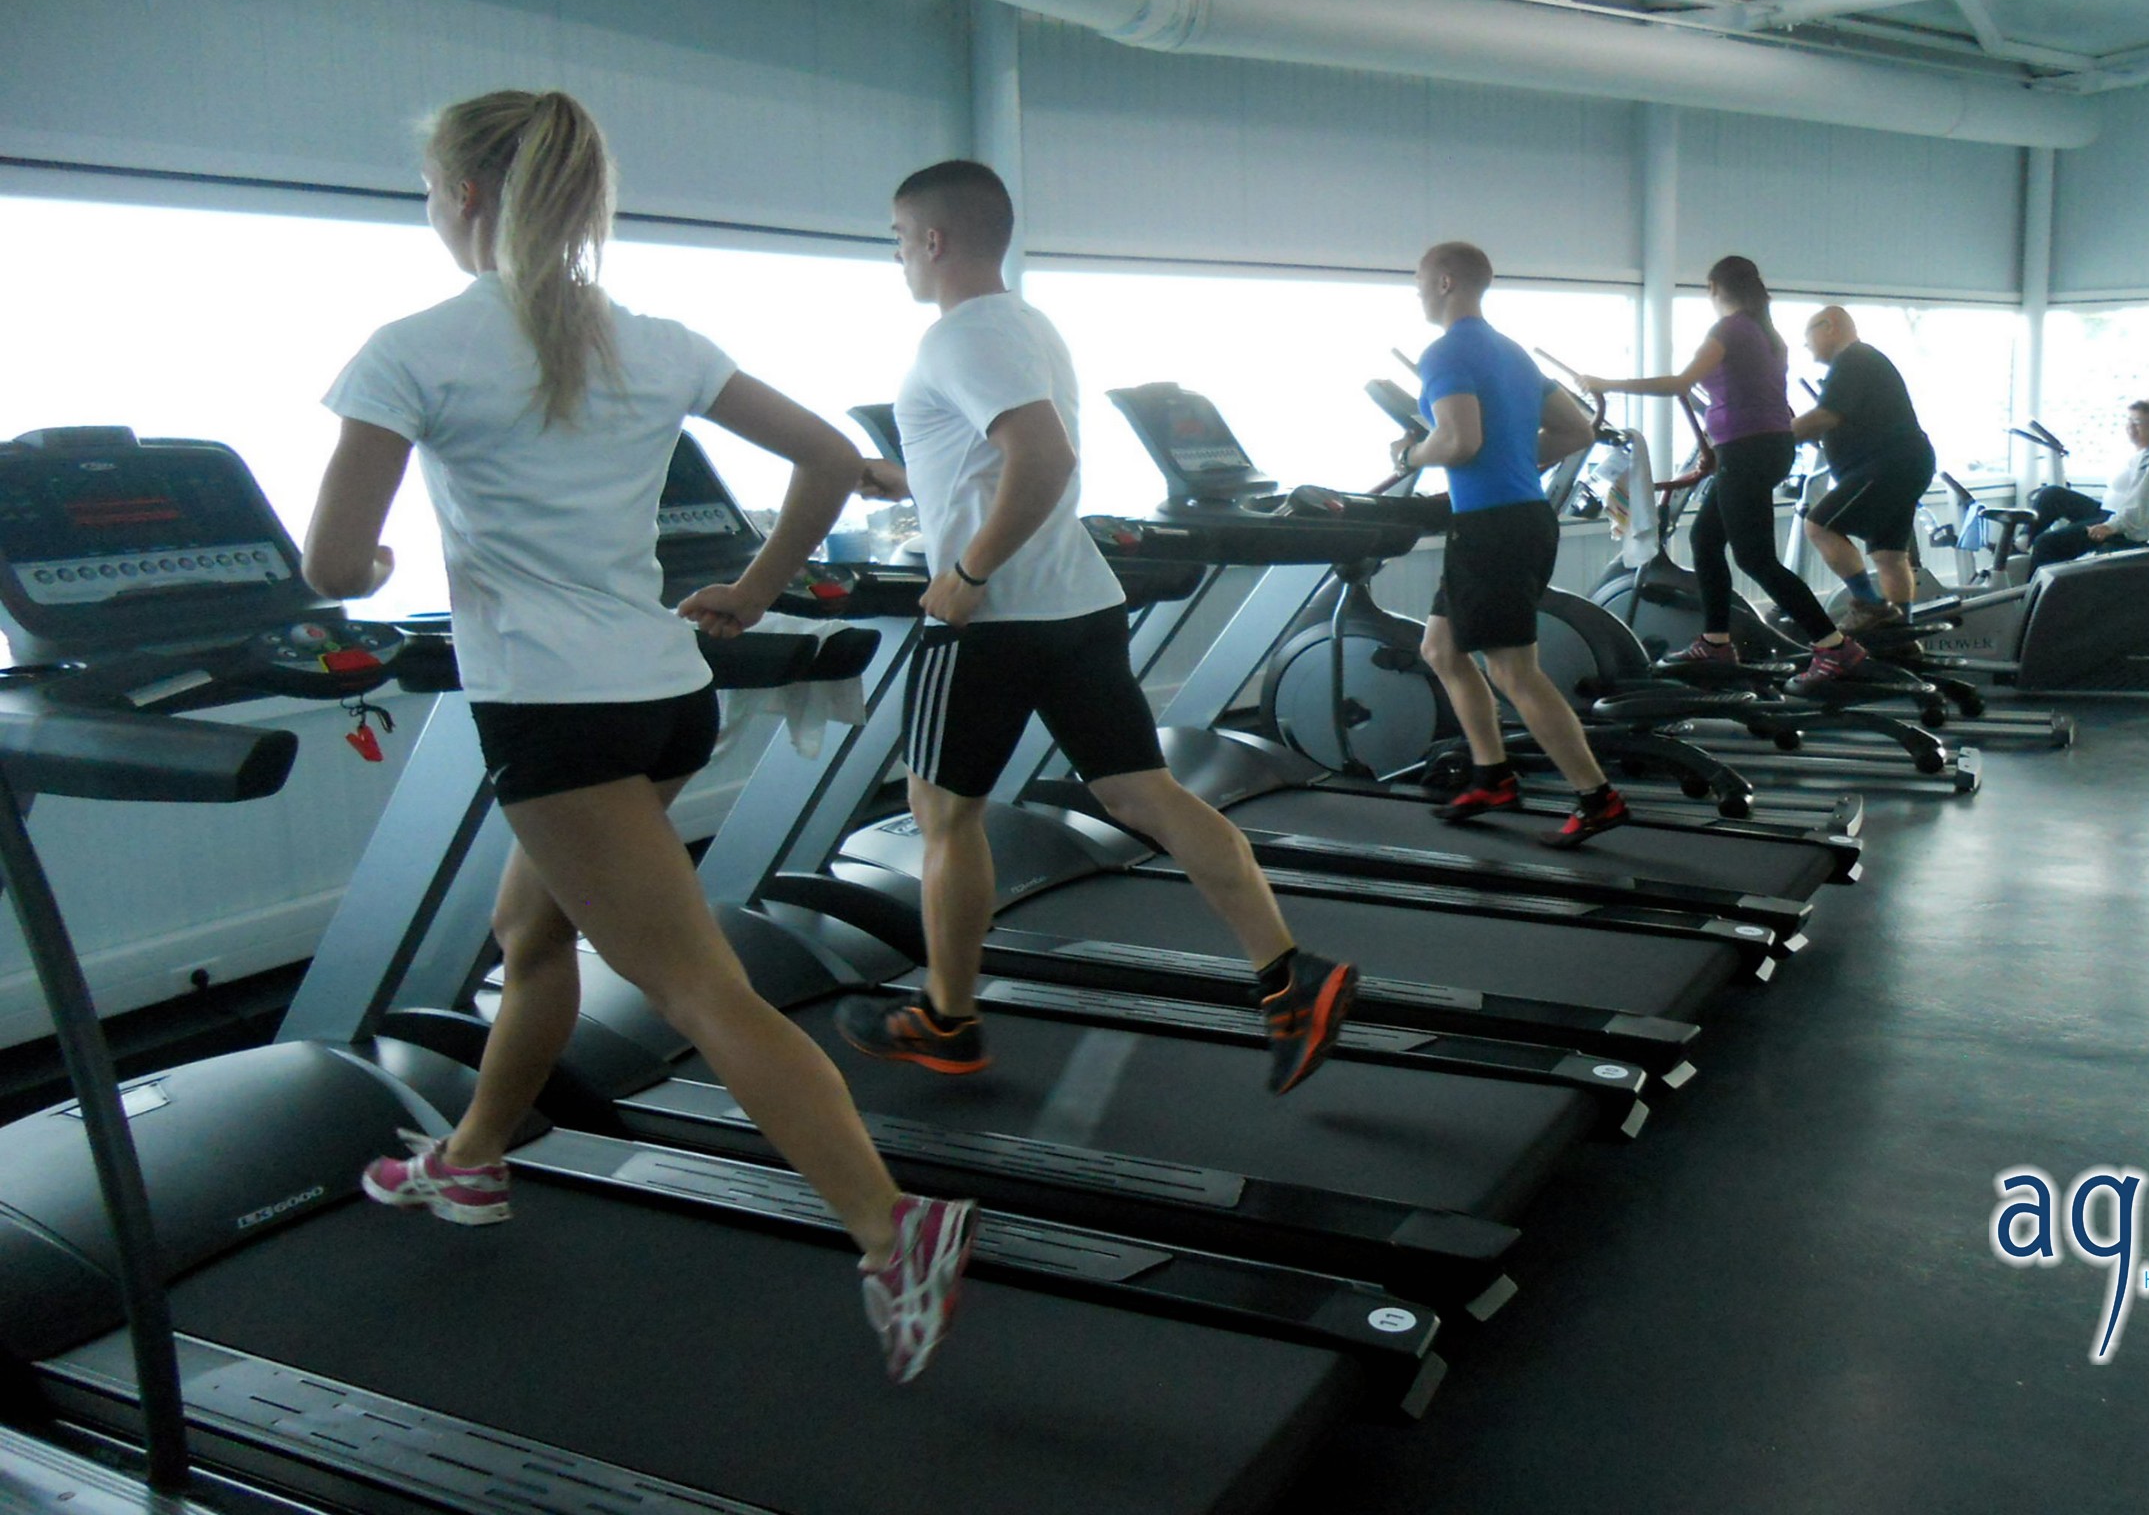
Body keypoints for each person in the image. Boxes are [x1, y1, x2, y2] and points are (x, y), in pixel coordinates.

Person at [306, 90, 974, 1384]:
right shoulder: (656, 342)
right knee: (531, 932)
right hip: (667, 700)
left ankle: (892, 1229)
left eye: (432, 192)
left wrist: (380, 563)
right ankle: (472, 1159)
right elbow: (831, 457)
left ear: (465, 197)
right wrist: (757, 591)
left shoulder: (413, 349)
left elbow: (335, 565)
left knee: (698, 986)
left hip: (556, 719)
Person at [839, 160, 1359, 1096]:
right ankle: (1291, 976)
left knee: (942, 815)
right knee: (1145, 793)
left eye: (898, 240)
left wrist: (967, 573)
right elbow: (997, 463)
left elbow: (1042, 456)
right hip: (1077, 603)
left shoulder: (956, 337)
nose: (898, 258)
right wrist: (902, 479)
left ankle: (947, 1019)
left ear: (934, 239)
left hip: (995, 618)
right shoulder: (1025, 324)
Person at [1399, 242, 1630, 846]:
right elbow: (1577, 430)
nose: (1416, 290)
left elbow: (1459, 442)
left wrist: (1410, 453)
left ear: (1445, 282)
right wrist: (1514, 460)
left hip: (1492, 528)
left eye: (1419, 279)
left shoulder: (1444, 352)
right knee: (1441, 649)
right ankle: (1492, 775)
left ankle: (1598, 797)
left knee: (1512, 670)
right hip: (1521, 518)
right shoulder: (1511, 353)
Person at [1578, 257, 1870, 693]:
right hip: (1764, 448)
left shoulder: (1730, 329)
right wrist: (1716, 450)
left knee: (1756, 559)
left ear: (1714, 288)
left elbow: (1680, 383)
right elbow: (1743, 397)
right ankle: (1715, 642)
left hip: (1748, 451)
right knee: (1706, 539)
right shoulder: (1767, 335)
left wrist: (1606, 383)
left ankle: (1834, 647)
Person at [1793, 306, 1936, 633]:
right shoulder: (1860, 362)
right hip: (1905, 463)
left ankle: (1870, 605)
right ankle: (1900, 638)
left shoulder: (1853, 359)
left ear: (1829, 326)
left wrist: (1774, 437)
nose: (1807, 346)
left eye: (1808, 337)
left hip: (1888, 464)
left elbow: (1825, 416)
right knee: (1889, 556)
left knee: (1818, 525)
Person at [2025, 400, 2149, 566]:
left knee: (2045, 543)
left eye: (2138, 423)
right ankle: (2021, 542)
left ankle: (2037, 584)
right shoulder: (2140, 454)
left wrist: (2110, 527)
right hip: (2106, 512)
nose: (2131, 427)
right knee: (2052, 494)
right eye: (2129, 420)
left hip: (2123, 528)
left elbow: (2140, 508)